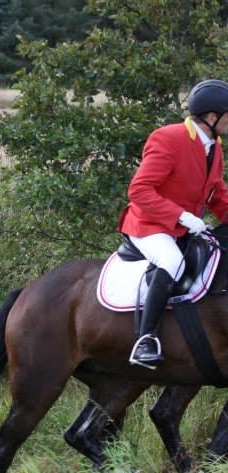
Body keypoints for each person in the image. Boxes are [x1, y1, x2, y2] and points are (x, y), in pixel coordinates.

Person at [118, 78, 228, 368]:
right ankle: (145, 340)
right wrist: (180, 216)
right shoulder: (169, 138)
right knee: (172, 261)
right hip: (149, 225)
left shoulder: (215, 147)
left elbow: (217, 193)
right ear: (212, 117)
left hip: (184, 228)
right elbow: (138, 190)